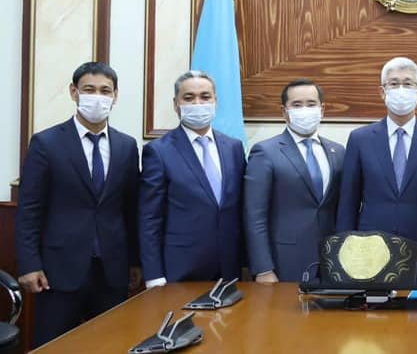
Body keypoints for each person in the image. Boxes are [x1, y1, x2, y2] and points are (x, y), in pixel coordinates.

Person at [15, 62, 141, 346]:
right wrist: (29, 264)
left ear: (115, 95)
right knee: (54, 346)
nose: (98, 97)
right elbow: (29, 210)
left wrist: (135, 260)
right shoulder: (46, 143)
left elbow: (131, 208)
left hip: (112, 270)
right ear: (74, 92)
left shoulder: (127, 146)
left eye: (105, 91)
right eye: (89, 89)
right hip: (58, 271)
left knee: (112, 345)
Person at [336, 57, 417, 280]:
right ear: (382, 92)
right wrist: (343, 257)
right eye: (394, 84)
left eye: (408, 83)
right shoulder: (360, 139)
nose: (401, 89)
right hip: (369, 255)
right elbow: (348, 205)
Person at [139, 71, 246, 287]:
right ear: (176, 104)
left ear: (215, 101)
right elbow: (150, 218)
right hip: (180, 269)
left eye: (205, 97)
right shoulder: (158, 151)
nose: (198, 103)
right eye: (189, 98)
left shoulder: (233, 147)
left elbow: (241, 207)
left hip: (229, 267)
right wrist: (153, 274)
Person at [244, 79, 344, 283]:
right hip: (285, 261)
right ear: (284, 111)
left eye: (311, 104)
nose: (305, 110)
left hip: (332, 260)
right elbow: (254, 216)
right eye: (297, 105)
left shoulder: (338, 151)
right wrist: (263, 268)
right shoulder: (265, 152)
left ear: (322, 109)